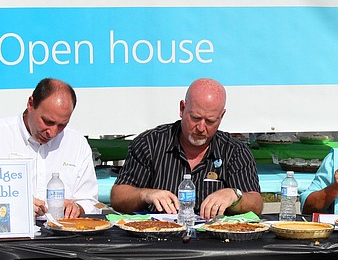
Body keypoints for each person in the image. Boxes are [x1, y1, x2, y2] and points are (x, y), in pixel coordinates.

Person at [0, 78, 99, 260]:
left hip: (61, 247)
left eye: (61, 125)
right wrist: (11, 207)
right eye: (47, 121)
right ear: (30, 104)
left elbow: (89, 201)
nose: (52, 132)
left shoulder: (76, 143)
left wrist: (78, 208)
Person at [110, 78, 262, 218]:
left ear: (221, 117)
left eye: (210, 121)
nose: (201, 128)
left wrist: (235, 196)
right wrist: (145, 194)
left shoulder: (234, 151)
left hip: (215, 240)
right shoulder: (150, 143)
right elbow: (118, 197)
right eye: (195, 118)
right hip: (157, 238)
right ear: (182, 108)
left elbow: (256, 203)